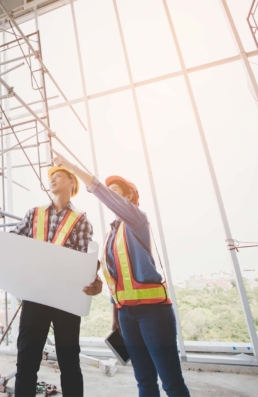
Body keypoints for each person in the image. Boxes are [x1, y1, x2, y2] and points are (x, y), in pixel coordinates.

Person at [52, 152, 190, 397]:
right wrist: (116, 315)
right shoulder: (111, 236)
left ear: (129, 197)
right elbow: (115, 279)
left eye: (116, 191)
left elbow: (100, 192)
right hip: (127, 315)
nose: (110, 193)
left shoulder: (138, 221)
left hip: (153, 312)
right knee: (144, 381)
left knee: (171, 382)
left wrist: (73, 167)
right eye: (110, 190)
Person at [0, 165, 103, 397]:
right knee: (27, 363)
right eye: (51, 177)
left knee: (70, 364)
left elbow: (86, 259)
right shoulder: (35, 214)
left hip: (66, 299)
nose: (52, 179)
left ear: (72, 183)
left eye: (58, 176)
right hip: (36, 296)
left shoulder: (81, 220)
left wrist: (95, 276)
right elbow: (11, 242)